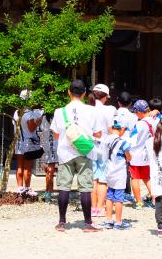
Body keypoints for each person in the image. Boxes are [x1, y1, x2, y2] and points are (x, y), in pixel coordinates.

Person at [50, 79, 102, 232]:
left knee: (64, 186)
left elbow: (57, 135)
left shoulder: (60, 111)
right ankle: (87, 223)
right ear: (85, 93)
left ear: (68, 92)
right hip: (85, 152)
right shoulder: (92, 111)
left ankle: (62, 222)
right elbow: (98, 133)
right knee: (85, 187)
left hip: (66, 152)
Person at [88, 83, 116, 217]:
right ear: (105, 97)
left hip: (89, 145)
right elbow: (111, 130)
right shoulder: (109, 109)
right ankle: (100, 208)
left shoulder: (86, 109)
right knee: (103, 178)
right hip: (104, 145)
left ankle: (93, 208)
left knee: (93, 177)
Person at [103, 119, 132, 230]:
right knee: (119, 198)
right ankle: (118, 222)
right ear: (121, 130)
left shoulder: (106, 140)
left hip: (109, 171)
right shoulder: (123, 142)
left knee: (109, 196)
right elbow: (129, 157)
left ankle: (108, 221)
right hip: (119, 172)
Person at [13, 91, 43, 196]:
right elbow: (31, 129)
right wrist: (38, 121)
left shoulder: (16, 112)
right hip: (28, 143)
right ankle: (27, 188)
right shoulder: (30, 114)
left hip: (18, 142)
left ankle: (19, 188)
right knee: (27, 167)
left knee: (19, 166)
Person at [128, 99, 153, 209]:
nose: (135, 114)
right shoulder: (154, 121)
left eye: (135, 112)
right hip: (147, 155)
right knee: (147, 178)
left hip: (135, 154)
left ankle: (139, 202)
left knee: (134, 178)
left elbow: (131, 139)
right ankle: (155, 199)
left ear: (139, 111)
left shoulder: (139, 124)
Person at [115, 91, 137, 203]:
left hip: (115, 143)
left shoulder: (114, 114)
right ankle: (126, 192)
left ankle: (114, 191)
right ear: (130, 103)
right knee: (127, 168)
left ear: (118, 102)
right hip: (128, 144)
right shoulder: (133, 116)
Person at [39, 114, 57, 202]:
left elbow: (41, 132)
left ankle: (48, 192)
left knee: (49, 170)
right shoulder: (58, 115)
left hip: (47, 146)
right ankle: (49, 192)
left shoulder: (43, 117)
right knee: (52, 170)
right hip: (57, 146)